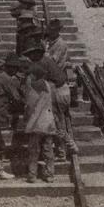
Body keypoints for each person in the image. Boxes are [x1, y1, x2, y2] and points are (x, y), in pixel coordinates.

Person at [44, 20, 75, 161]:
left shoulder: (60, 44)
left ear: (57, 31)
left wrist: (43, 53)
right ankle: (62, 149)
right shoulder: (52, 43)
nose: (48, 33)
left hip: (56, 85)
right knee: (56, 119)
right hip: (52, 83)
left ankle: (66, 148)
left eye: (51, 31)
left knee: (57, 120)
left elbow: (52, 62)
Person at [22, 64, 56, 183]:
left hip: (36, 123)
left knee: (33, 150)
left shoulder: (33, 88)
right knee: (48, 149)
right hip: (48, 121)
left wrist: (26, 119)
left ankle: (32, 175)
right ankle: (50, 174)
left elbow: (29, 106)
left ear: (34, 75)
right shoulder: (47, 85)